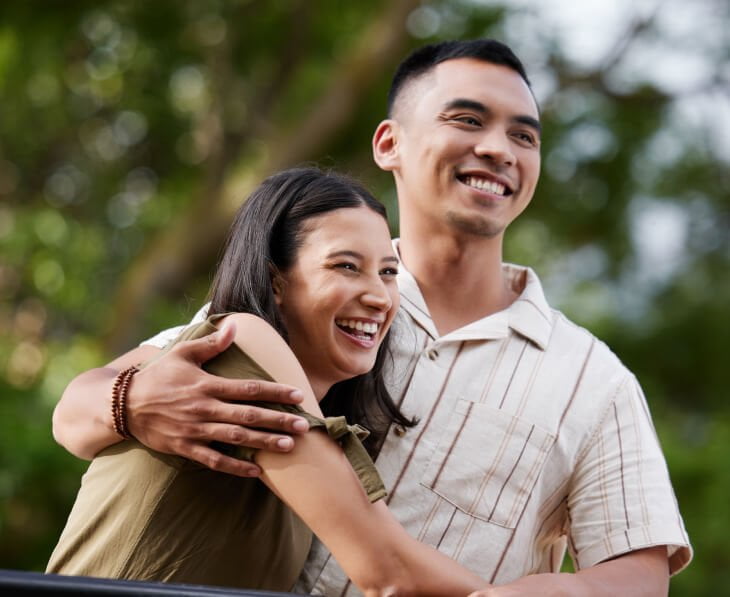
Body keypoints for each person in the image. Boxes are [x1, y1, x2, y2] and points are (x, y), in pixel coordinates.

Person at [52, 40, 692, 595]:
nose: (498, 149)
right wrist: (127, 401)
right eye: (467, 119)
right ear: (391, 143)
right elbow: (79, 411)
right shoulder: (301, 304)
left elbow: (639, 577)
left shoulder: (593, 379)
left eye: (524, 135)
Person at [47, 168, 489, 595]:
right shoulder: (238, 342)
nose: (378, 296)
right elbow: (387, 573)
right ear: (275, 280)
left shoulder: (316, 441)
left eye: (388, 272)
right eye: (346, 266)